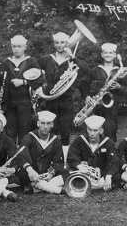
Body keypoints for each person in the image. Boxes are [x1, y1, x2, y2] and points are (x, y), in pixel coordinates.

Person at [38, 32, 90, 162]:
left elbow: (87, 70)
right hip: (51, 101)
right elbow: (37, 75)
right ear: (54, 44)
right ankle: (51, 159)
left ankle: (64, 161)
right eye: (57, 42)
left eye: (62, 42)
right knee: (51, 131)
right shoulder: (46, 59)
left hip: (66, 101)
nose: (59, 45)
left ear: (67, 44)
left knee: (65, 133)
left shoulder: (72, 59)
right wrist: (40, 86)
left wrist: (73, 57)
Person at [80, 43, 127, 142]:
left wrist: (120, 87)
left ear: (115, 55)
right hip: (97, 107)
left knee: (110, 134)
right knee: (95, 134)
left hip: (112, 108)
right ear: (102, 54)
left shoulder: (119, 71)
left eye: (111, 53)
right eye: (105, 53)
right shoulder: (95, 70)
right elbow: (83, 84)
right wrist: (87, 96)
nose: (108, 55)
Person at [2, 35, 45, 142]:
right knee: (10, 132)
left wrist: (24, 82)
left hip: (25, 102)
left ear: (25, 47)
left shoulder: (31, 61)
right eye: (14, 46)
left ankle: (23, 156)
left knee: (24, 131)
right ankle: (11, 156)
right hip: (10, 103)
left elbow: (40, 80)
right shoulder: (6, 62)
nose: (16, 49)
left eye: (19, 46)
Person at [18, 110, 66, 194]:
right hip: (31, 173)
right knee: (22, 174)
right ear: (38, 124)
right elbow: (22, 155)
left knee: (66, 172)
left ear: (52, 125)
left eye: (48, 123)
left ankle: (37, 187)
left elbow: (58, 162)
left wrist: (51, 174)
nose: (45, 126)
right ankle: (57, 190)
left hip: (46, 174)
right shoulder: (29, 137)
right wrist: (30, 170)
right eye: (42, 123)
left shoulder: (56, 140)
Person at [67, 115, 120, 191]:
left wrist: (108, 176)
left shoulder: (108, 143)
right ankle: (89, 185)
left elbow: (114, 161)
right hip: (83, 171)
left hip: (101, 174)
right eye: (89, 130)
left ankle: (80, 186)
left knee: (115, 177)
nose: (92, 133)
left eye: (95, 130)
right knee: (66, 173)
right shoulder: (80, 140)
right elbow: (72, 155)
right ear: (87, 129)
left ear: (101, 131)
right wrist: (79, 166)